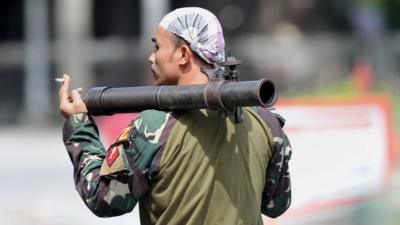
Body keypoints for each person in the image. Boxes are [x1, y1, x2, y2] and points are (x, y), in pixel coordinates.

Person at [59, 7, 292, 225]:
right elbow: (276, 204)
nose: (152, 57)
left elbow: (103, 198)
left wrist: (79, 126)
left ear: (182, 54)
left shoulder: (155, 125)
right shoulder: (265, 123)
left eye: (157, 47)